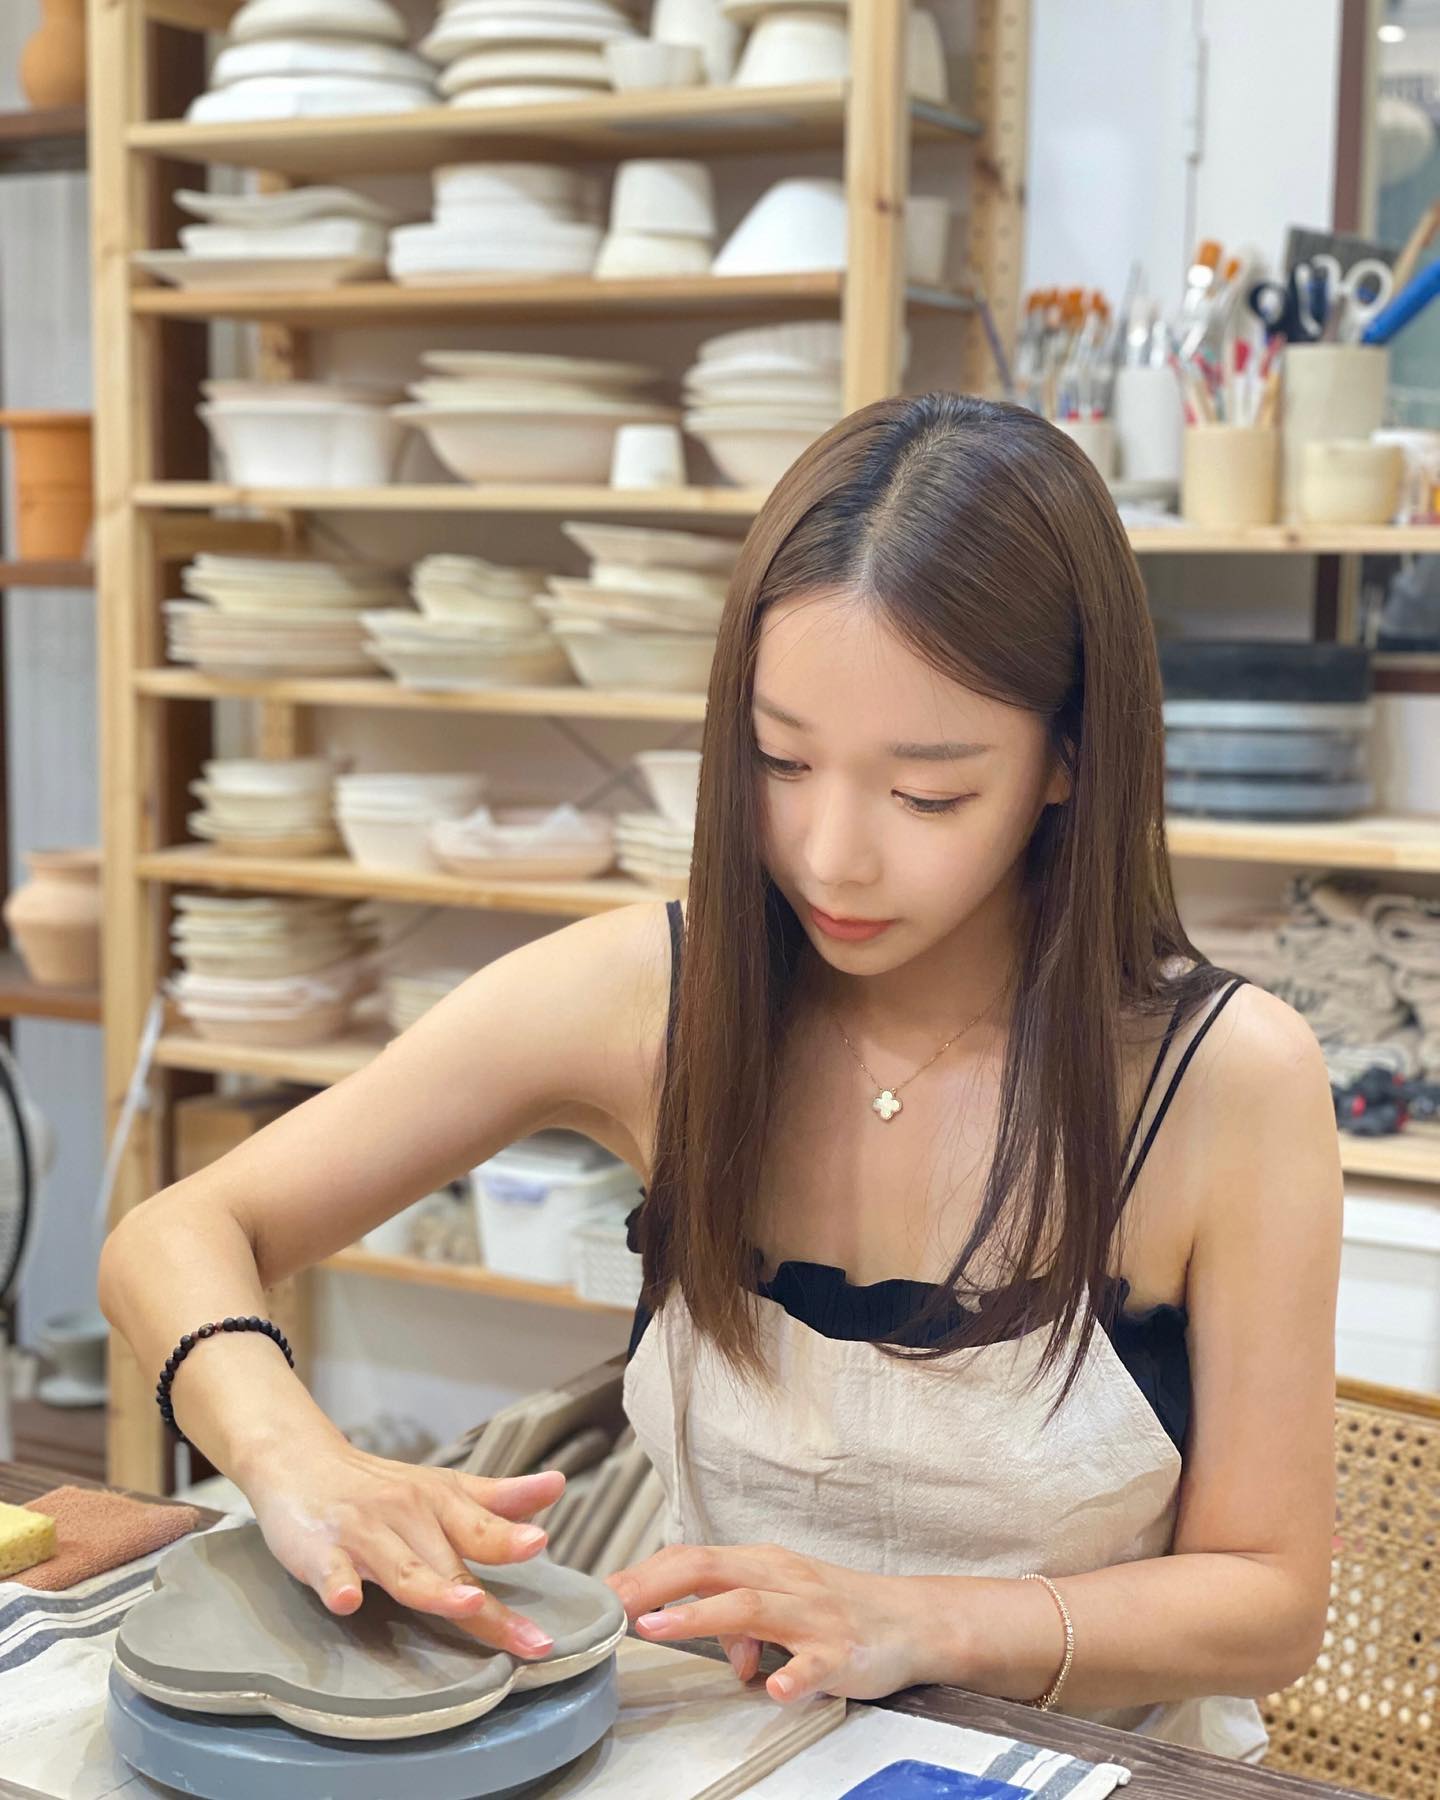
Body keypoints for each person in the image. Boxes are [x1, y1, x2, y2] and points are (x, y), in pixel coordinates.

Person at [100, 392, 1341, 1761]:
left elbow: (1270, 1601)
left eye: (928, 794)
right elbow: (178, 1233)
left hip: (1089, 1771)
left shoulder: (1222, 1081)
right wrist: (296, 1461)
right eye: (779, 761)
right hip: (726, 1755)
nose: (829, 854)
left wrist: (923, 1621)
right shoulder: (658, 1000)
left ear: (1068, 762)